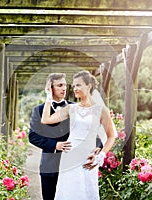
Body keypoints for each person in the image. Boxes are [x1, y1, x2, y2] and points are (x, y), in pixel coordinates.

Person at [41, 70, 116, 200]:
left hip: (88, 157)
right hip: (69, 156)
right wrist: (49, 96)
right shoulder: (71, 108)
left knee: (86, 192)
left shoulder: (101, 110)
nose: (75, 88)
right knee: (68, 193)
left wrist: (101, 155)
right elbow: (46, 120)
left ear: (89, 86)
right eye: (74, 85)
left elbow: (111, 136)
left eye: (79, 85)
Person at [28, 73, 102, 200]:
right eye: (59, 85)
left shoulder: (75, 108)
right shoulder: (38, 110)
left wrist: (99, 147)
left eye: (65, 85)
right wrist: (54, 145)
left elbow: (90, 130)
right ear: (50, 88)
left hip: (74, 165)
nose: (64, 89)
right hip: (50, 165)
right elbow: (33, 136)